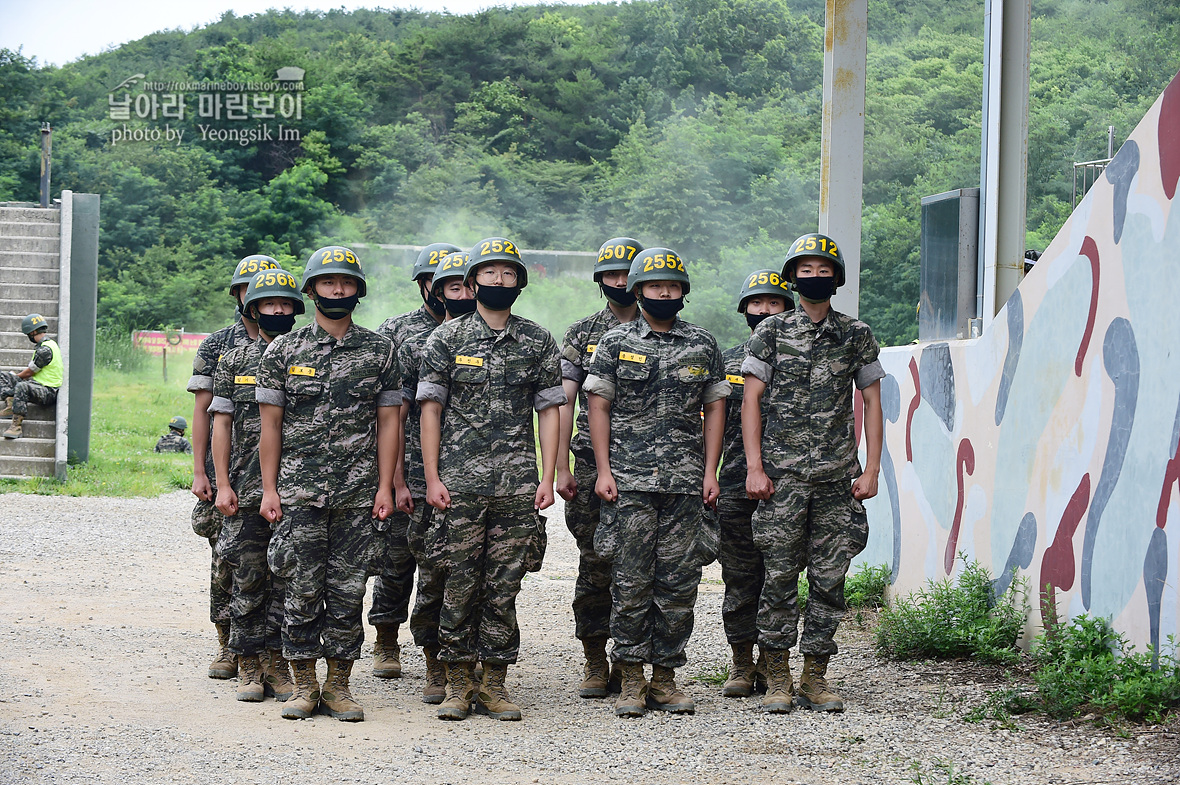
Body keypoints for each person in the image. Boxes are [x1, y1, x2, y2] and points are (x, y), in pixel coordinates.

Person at [418, 237, 565, 722]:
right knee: (458, 581)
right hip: (458, 483)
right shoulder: (447, 340)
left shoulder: (538, 341)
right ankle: (458, 683)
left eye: (508, 274)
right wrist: (433, 476)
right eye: (490, 274)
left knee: (504, 585)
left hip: (517, 484)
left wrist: (549, 472)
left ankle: (495, 684)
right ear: (472, 282)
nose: (499, 281)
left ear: (519, 282)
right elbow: (431, 411)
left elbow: (550, 411)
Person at [256, 245, 402, 722]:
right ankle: (303, 686)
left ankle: (339, 686)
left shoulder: (380, 351)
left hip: (358, 494)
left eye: (346, 282)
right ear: (312, 289)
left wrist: (385, 486)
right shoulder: (282, 351)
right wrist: (271, 489)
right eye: (328, 282)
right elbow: (270, 427)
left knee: (347, 591)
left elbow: (388, 425)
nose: (338, 289)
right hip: (299, 493)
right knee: (299, 587)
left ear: (358, 290)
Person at [741, 232, 884, 714]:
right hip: (781, 480)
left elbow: (872, 402)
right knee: (779, 576)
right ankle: (777, 676)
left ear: (836, 278)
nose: (815, 276)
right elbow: (751, 401)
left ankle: (815, 677)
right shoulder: (772, 332)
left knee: (830, 579)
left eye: (824, 269)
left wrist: (872, 469)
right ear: (793, 276)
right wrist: (755, 467)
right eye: (806, 269)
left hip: (835, 479)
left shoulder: (855, 333)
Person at [584, 247, 729, 718]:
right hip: (629, 482)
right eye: (653, 286)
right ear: (638, 290)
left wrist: (710, 472)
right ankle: (629, 677)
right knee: (629, 581)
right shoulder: (615, 342)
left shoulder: (703, 343)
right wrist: (604, 470)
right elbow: (598, 408)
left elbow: (715, 410)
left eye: (671, 286)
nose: (663, 293)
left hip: (685, 484)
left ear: (682, 291)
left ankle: (664, 678)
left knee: (678, 583)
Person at [209, 268, 305, 703]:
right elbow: (221, 424)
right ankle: (248, 665)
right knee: (247, 578)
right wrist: (222, 482)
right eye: (270, 304)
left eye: (286, 304)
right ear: (253, 309)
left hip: (297, 487)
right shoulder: (232, 360)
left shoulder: (307, 354)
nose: (279, 311)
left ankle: (278, 664)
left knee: (288, 580)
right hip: (245, 489)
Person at [556, 236, 642, 699]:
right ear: (601, 281)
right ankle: (594, 659)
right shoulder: (582, 333)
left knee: (645, 568)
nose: (621, 283)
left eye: (629, 274)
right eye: (612, 275)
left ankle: (632, 663)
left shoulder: (671, 331)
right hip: (590, 464)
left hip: (650, 468)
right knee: (595, 563)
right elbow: (565, 401)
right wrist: (562, 467)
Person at [370, 242, 461, 680]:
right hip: (405, 460)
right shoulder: (399, 332)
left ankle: (440, 649)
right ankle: (386, 636)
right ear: (426, 285)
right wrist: (392, 477)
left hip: (458, 465)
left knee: (441, 564)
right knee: (395, 557)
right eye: (441, 283)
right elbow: (387, 408)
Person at [188, 255, 279, 679]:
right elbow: (204, 412)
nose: (259, 297)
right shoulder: (219, 346)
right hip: (229, 471)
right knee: (226, 561)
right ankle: (228, 645)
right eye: (249, 288)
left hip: (275, 478)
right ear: (240, 295)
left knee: (273, 566)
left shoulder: (291, 345)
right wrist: (202, 472)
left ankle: (271, 653)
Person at [399, 250, 476, 704]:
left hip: (482, 478)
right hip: (425, 473)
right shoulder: (421, 342)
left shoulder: (506, 336)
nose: (463, 294)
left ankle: (475, 668)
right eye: (452, 286)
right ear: (434, 290)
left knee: (478, 577)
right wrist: (400, 478)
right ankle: (434, 662)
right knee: (430, 572)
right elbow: (398, 412)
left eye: (467, 284)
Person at [716, 269, 793, 697]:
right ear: (744, 307)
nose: (764, 309)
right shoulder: (726, 361)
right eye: (757, 302)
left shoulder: (801, 358)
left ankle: (773, 661)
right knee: (741, 576)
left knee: (779, 576)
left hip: (787, 484)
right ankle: (743, 663)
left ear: (788, 307)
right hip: (734, 484)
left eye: (774, 302)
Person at [0, 314, 63, 440]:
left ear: (33, 332)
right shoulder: (45, 345)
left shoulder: (45, 349)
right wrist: (12, 378)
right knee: (4, 376)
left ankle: (16, 426)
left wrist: (15, 378)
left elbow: (29, 373)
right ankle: (11, 405)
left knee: (21, 386)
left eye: (29, 333)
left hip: (49, 391)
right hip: (38, 385)